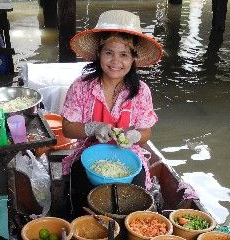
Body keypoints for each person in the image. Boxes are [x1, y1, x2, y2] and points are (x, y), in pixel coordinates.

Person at [60, 9, 163, 215]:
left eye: (124, 54)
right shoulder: (81, 87)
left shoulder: (141, 91)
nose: (116, 61)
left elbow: (146, 133)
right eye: (109, 53)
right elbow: (67, 129)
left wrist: (133, 135)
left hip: (129, 157)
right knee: (82, 198)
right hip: (88, 154)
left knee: (135, 201)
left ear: (134, 58)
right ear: (99, 54)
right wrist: (92, 127)